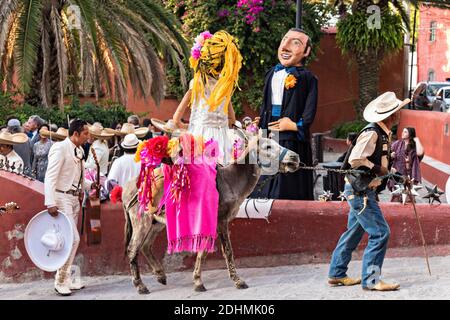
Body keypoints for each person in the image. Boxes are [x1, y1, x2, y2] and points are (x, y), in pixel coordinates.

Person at [328, 92, 409, 291]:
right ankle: (372, 280)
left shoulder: (382, 133)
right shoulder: (372, 132)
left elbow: (376, 159)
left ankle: (337, 274)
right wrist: (379, 170)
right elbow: (357, 159)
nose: (398, 114)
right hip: (361, 192)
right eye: (396, 111)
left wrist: (392, 174)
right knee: (381, 233)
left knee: (353, 233)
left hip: (360, 191)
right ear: (391, 115)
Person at [251, 28, 318, 200]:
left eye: (295, 43)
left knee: (288, 180)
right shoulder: (271, 73)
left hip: (291, 136)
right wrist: (262, 120)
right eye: (284, 40)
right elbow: (266, 102)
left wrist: (295, 125)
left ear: (306, 51)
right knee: (264, 177)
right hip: (268, 133)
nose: (286, 47)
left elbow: (310, 110)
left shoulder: (308, 78)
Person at [166, 30, 242, 164]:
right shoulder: (224, 87)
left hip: (198, 136)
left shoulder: (196, 83)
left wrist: (189, 126)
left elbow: (176, 119)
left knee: (197, 177)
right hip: (221, 138)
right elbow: (232, 119)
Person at [44, 119, 96, 296]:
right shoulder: (60, 148)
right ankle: (60, 280)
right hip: (61, 197)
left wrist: (89, 186)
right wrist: (50, 202)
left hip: (74, 199)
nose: (88, 137)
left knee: (70, 239)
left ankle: (66, 279)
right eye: (85, 134)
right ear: (75, 134)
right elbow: (50, 176)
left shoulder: (79, 150)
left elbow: (76, 176)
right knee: (73, 239)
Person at [388, 127, 422, 200]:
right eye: (403, 131)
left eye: (405, 132)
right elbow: (388, 152)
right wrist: (391, 155)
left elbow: (420, 153)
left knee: (408, 198)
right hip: (397, 173)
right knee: (396, 196)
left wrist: (417, 140)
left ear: (410, 134)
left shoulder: (414, 146)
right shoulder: (398, 143)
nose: (403, 133)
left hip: (409, 174)